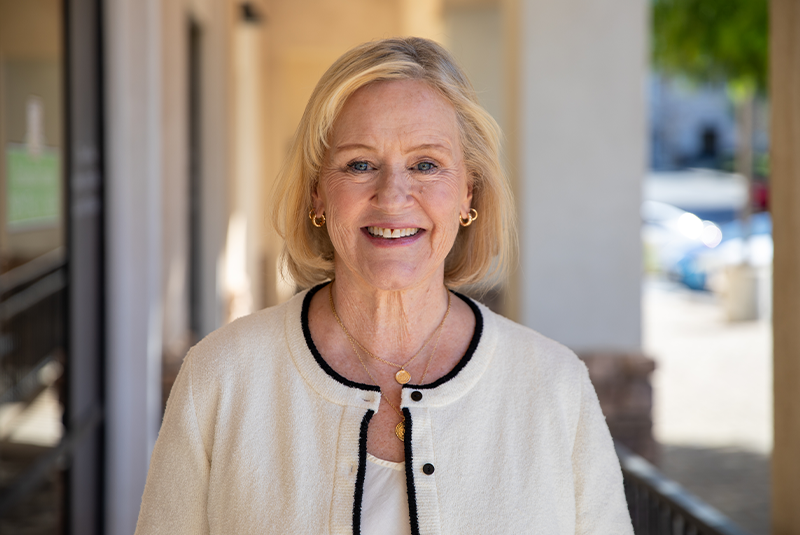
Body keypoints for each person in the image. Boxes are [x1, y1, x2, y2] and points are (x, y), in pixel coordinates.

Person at [135, 37, 633, 535]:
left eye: (425, 164)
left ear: (468, 191)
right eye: (360, 164)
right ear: (317, 193)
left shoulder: (555, 386)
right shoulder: (221, 378)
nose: (393, 195)